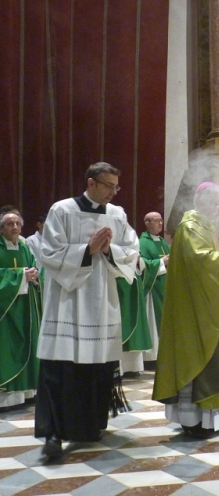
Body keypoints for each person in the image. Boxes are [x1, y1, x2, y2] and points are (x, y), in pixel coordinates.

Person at [35, 162, 139, 458]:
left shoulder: (117, 215)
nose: (113, 192)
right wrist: (86, 251)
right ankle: (53, 433)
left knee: (97, 367)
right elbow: (49, 253)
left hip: (101, 301)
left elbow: (131, 251)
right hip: (67, 303)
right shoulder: (63, 210)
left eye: (116, 187)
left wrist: (108, 251)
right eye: (108, 186)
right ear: (91, 183)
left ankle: (90, 426)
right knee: (61, 367)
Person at [153, 182, 219, 438]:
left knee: (214, 355)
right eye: (215, 203)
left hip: (209, 303)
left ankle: (209, 420)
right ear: (201, 201)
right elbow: (201, 261)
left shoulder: (206, 226)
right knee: (200, 355)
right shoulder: (189, 227)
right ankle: (194, 420)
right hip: (194, 308)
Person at [0, 212, 42, 410]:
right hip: (6, 310)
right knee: (9, 348)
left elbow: (34, 267)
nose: (14, 227)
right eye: (9, 224)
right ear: (2, 228)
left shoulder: (25, 246)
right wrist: (19, 275)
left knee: (30, 343)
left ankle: (29, 391)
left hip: (26, 305)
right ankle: (8, 397)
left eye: (17, 223)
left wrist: (34, 275)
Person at [139, 212, 170, 365]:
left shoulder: (163, 242)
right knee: (152, 321)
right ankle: (151, 358)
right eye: (156, 221)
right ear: (147, 223)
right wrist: (161, 262)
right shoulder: (142, 242)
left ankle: (163, 356)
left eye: (161, 221)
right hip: (152, 290)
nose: (160, 224)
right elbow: (141, 264)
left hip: (164, 288)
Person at [26, 214, 47, 279]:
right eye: (47, 225)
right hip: (37, 277)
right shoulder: (30, 240)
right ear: (39, 225)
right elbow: (32, 261)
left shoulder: (53, 240)